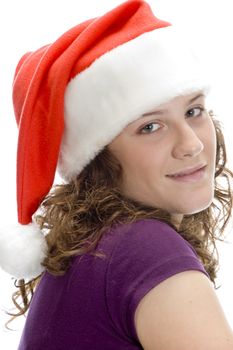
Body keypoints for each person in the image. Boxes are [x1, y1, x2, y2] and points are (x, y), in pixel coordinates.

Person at [0, 0, 233, 349]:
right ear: (98, 158)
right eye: (151, 126)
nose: (191, 144)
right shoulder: (145, 250)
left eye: (194, 110)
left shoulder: (103, 247)